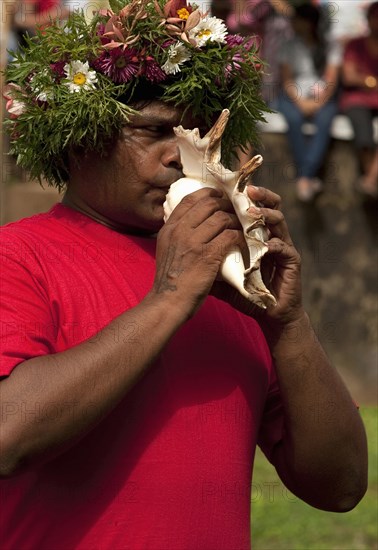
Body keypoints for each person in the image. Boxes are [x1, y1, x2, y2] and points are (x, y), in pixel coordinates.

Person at [1, 1, 367, 549]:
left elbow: (340, 487)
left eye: (199, 131)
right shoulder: (19, 254)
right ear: (81, 140)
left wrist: (287, 322)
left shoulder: (227, 275)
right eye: (155, 131)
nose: (185, 154)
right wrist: (170, 298)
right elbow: (9, 435)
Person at [276, 3, 341, 202]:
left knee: (325, 120)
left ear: (310, 23)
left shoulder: (330, 46)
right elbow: (287, 81)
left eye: (298, 20)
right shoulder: (288, 45)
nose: (293, 24)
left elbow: (331, 79)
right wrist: (301, 103)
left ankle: (304, 176)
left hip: (322, 98)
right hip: (293, 96)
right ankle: (308, 176)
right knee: (294, 120)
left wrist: (318, 103)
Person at [339, 0, 378, 198]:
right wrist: (371, 81)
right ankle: (370, 179)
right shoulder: (356, 45)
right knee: (364, 136)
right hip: (358, 99)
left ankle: (370, 179)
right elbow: (348, 76)